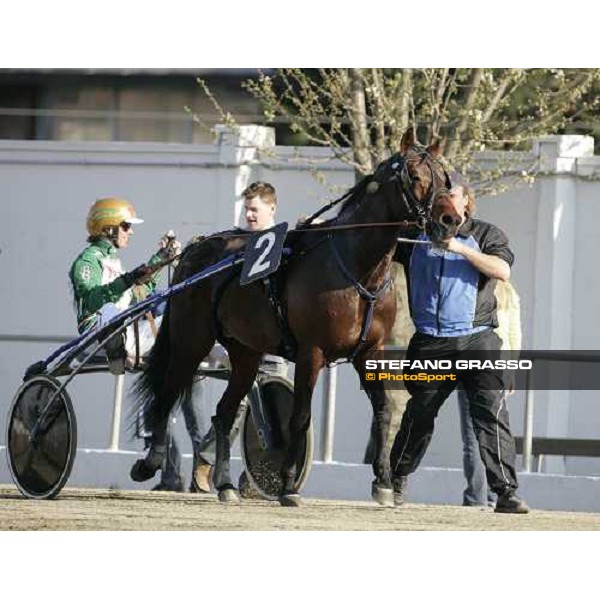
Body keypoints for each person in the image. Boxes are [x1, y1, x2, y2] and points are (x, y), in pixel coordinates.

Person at [390, 173, 530, 514]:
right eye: (440, 194)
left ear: (466, 200)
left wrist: (458, 247)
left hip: (477, 338)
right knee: (419, 415)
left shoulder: (485, 233)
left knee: (491, 414)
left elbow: (502, 270)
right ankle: (396, 476)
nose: (446, 200)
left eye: (452, 194)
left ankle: (506, 492)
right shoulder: (414, 234)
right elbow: (369, 238)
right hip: (430, 343)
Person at [192, 181, 289, 495]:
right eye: (246, 209)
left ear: (271, 208)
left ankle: (253, 476)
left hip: (279, 344)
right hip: (245, 339)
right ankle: (209, 462)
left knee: (273, 409)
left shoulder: (286, 242)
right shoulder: (235, 242)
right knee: (242, 402)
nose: (249, 215)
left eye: (255, 210)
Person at [69, 197, 180, 371]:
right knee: (109, 310)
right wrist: (127, 280)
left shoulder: (113, 262)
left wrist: (161, 259)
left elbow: (138, 295)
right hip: (95, 340)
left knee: (181, 311)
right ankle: (117, 356)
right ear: (108, 228)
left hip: (125, 333)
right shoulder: (87, 261)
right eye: (126, 226)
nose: (131, 232)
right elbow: (92, 301)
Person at [456, 280, 522, 507]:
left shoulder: (471, 288)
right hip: (500, 367)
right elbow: (515, 333)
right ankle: (498, 493)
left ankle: (476, 496)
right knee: (496, 431)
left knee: (472, 438)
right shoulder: (509, 292)